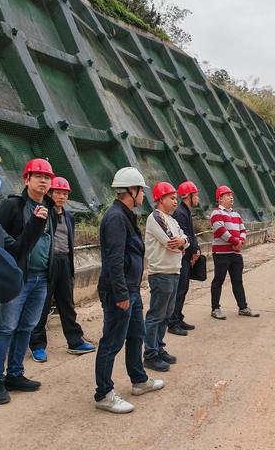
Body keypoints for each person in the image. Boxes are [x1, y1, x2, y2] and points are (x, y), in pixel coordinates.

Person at [94, 167, 163, 414]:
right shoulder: (115, 218)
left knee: (136, 335)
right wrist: (122, 294)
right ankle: (103, 393)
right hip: (119, 293)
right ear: (130, 191)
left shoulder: (126, 215)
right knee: (111, 342)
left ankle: (139, 380)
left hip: (130, 290)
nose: (144, 195)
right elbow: (113, 260)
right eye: (141, 191)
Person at [0, 158, 56, 404]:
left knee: (26, 327)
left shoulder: (49, 209)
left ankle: (15, 374)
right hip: (18, 279)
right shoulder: (12, 206)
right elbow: (8, 248)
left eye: (47, 177)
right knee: (5, 327)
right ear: (26, 179)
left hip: (41, 278)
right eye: (38, 176)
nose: (43, 181)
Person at [29, 177, 95, 362]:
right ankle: (37, 345)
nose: (61, 196)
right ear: (50, 193)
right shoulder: (44, 213)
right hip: (47, 264)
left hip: (64, 262)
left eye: (65, 194)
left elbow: (69, 243)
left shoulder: (68, 216)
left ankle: (75, 341)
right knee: (42, 306)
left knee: (67, 304)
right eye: (58, 192)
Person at [144, 182, 189, 372]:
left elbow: (185, 238)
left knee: (165, 315)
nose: (175, 202)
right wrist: (182, 243)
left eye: (176, 199)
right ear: (160, 199)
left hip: (173, 271)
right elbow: (172, 242)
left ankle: (159, 347)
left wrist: (183, 242)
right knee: (156, 315)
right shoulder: (155, 217)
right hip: (161, 273)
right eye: (171, 198)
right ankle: (150, 354)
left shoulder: (173, 220)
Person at [210, 185, 259, 320]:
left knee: (237, 281)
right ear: (220, 199)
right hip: (221, 254)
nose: (231, 197)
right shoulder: (216, 213)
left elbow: (243, 230)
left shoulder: (236, 215)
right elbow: (220, 230)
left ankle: (243, 307)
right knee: (218, 281)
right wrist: (235, 242)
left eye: (231, 195)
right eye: (227, 195)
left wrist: (241, 242)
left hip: (236, 254)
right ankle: (215, 308)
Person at [168, 181, 200, 336]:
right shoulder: (181, 212)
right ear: (189, 195)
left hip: (187, 255)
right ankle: (173, 323)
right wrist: (195, 250)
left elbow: (191, 235)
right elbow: (185, 234)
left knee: (183, 289)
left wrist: (197, 250)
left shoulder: (185, 211)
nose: (198, 197)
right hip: (183, 257)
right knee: (179, 290)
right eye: (196, 194)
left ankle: (178, 317)